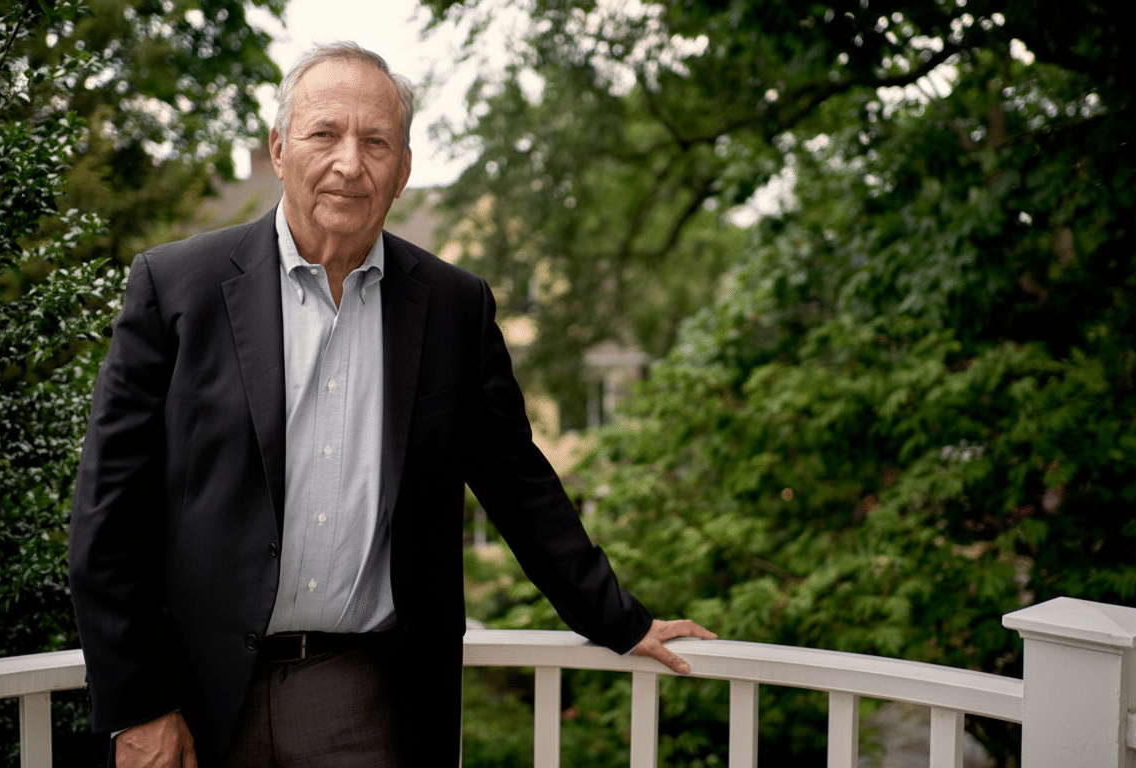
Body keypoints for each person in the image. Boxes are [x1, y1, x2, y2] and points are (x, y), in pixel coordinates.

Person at [68, 41, 714, 768]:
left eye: (377, 141)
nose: (350, 163)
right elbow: (106, 513)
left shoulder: (453, 307)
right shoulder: (176, 288)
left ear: (404, 170)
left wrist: (620, 620)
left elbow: (520, 486)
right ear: (279, 150)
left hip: (361, 696)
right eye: (324, 134)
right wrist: (137, 705)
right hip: (194, 693)